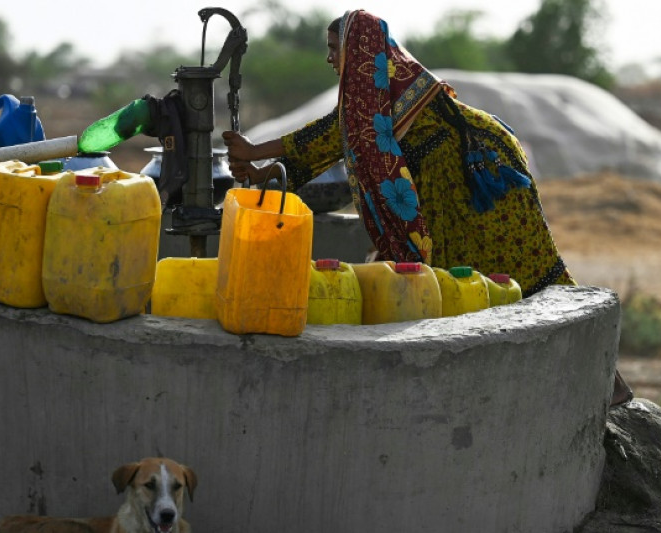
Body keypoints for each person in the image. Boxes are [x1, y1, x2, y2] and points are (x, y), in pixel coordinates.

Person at [222, 9, 633, 407]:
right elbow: (342, 136)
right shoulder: (373, 87)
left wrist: (255, 151)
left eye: (334, 48)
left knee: (531, 269)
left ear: (357, 49)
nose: (329, 59)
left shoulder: (381, 87)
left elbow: (336, 132)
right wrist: (261, 170)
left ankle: (608, 381)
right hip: (450, 185)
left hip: (482, 176)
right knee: (467, 279)